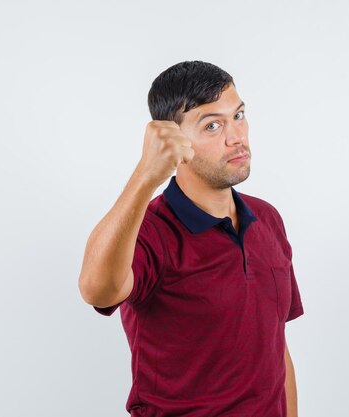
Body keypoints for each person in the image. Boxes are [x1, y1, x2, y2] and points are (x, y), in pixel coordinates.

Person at [78, 60, 305, 417]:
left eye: (239, 116)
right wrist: (145, 174)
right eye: (212, 125)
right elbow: (96, 289)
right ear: (171, 141)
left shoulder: (268, 220)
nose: (236, 137)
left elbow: (277, 350)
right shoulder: (150, 230)